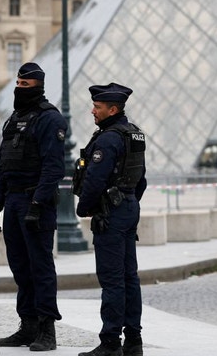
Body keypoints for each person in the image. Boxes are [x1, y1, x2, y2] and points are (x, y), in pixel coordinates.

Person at [0, 62, 67, 351]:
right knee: (20, 267)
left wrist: (36, 204)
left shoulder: (50, 119)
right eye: (17, 85)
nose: (19, 90)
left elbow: (53, 168)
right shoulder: (13, 119)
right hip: (13, 201)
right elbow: (4, 165)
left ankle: (47, 329)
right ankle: (28, 325)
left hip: (36, 202)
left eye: (25, 86)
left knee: (40, 267)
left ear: (38, 87)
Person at [74, 83, 147, 356]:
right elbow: (142, 178)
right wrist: (128, 200)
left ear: (112, 109)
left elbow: (94, 180)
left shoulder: (107, 139)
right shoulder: (134, 134)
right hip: (128, 207)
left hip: (111, 213)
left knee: (112, 280)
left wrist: (85, 208)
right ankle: (133, 341)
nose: (92, 111)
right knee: (130, 277)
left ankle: (110, 342)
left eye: (98, 107)